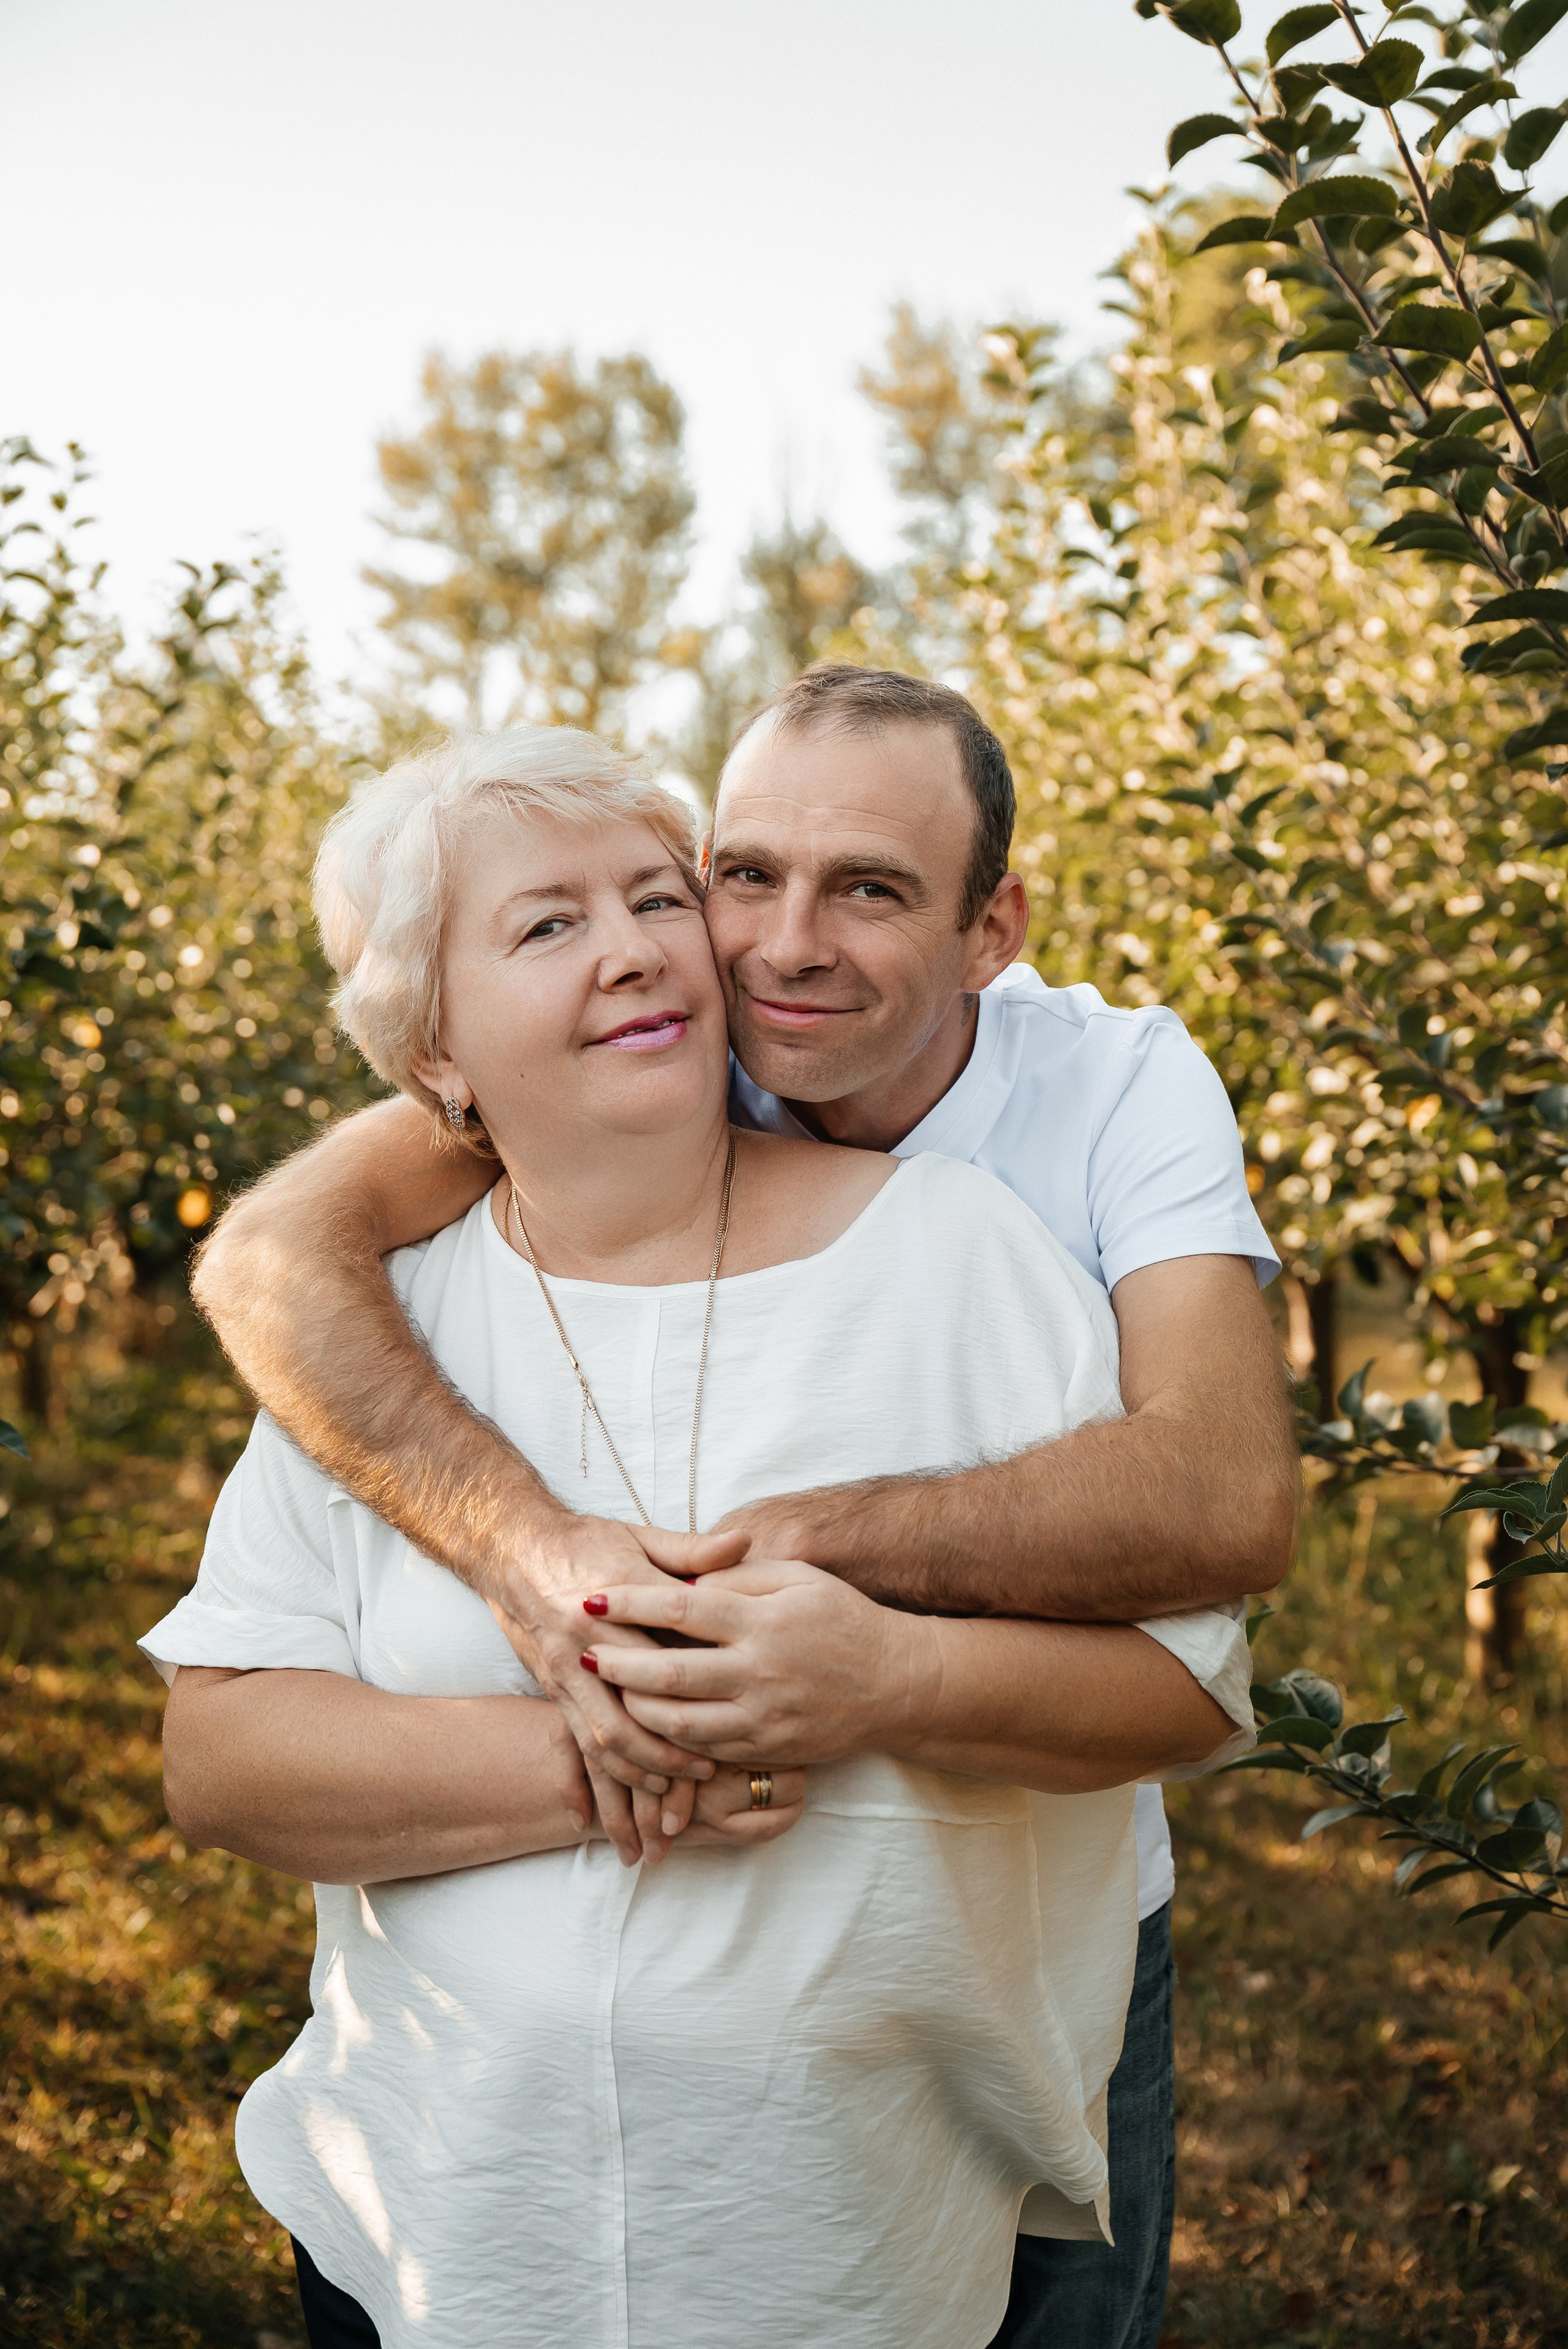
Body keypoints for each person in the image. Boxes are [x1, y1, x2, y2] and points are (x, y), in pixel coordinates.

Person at [193, 668, 1298, 2349]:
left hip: (908, 2179)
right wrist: (574, 1642)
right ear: (438, 1053)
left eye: (867, 888)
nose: (762, 945)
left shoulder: (1064, 1145)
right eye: (733, 874)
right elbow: (272, 1259)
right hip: (460, 2225)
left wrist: (826, 1609)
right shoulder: (406, 1302)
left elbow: (1219, 1516)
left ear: (988, 929)